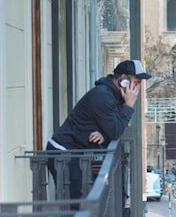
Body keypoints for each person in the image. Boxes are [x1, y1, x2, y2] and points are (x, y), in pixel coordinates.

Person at [46, 59, 151, 199]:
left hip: (73, 153)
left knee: (78, 201)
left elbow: (113, 128)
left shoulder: (113, 95)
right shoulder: (103, 96)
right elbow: (116, 130)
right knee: (73, 204)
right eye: (136, 82)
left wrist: (104, 134)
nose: (137, 88)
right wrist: (129, 106)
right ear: (123, 80)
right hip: (63, 153)